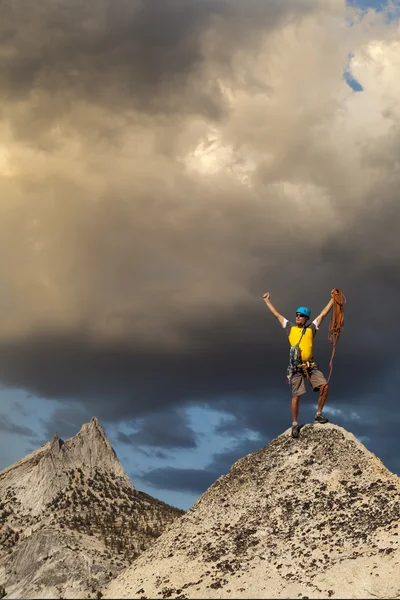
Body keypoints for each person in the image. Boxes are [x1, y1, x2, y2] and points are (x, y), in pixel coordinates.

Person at [263, 291, 334, 439]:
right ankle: (295, 424)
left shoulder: (311, 329)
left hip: (310, 365)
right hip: (296, 367)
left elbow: (323, 314)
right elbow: (277, 315)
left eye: (301, 315)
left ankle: (318, 414)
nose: (298, 317)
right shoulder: (291, 328)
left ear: (306, 318)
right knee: (296, 396)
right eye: (297, 314)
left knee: (324, 386)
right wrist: (267, 301)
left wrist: (333, 300)